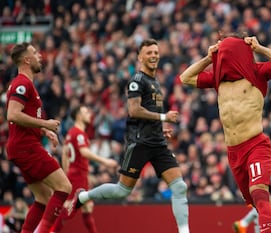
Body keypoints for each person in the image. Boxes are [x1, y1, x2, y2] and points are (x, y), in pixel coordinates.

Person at [68, 39, 190, 233]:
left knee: (180, 187)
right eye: (149, 53)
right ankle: (83, 197)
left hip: (158, 143)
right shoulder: (137, 81)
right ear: (140, 57)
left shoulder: (155, 82)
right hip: (139, 143)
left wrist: (160, 127)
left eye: (156, 53)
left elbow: (147, 113)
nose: (153, 56)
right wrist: (163, 116)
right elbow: (134, 110)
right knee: (122, 191)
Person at [179, 33, 271, 233]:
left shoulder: (256, 73)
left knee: (259, 194)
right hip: (233, 152)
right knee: (260, 205)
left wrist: (260, 49)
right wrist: (207, 58)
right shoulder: (218, 79)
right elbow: (185, 78)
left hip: (256, 145)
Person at [6, 42, 72, 233]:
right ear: (27, 59)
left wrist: (44, 131)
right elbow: (12, 115)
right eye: (35, 53)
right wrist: (45, 123)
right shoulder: (22, 83)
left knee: (43, 198)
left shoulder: (26, 84)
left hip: (23, 146)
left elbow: (24, 118)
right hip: (26, 147)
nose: (40, 56)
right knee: (64, 187)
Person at [53, 105, 118, 233]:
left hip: (77, 174)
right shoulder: (79, 134)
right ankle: (53, 231)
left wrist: (66, 172)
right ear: (78, 116)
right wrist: (105, 161)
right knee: (70, 207)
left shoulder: (71, 133)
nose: (89, 114)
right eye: (85, 112)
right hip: (77, 175)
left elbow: (65, 153)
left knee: (87, 207)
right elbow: (84, 152)